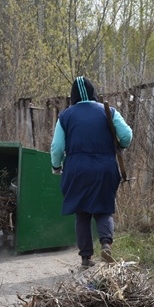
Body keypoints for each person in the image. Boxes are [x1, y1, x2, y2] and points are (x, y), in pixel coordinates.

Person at [50, 76, 133, 268]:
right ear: (94, 92)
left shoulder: (66, 116)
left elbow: (56, 147)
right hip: (105, 166)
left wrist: (56, 166)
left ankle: (86, 258)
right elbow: (127, 135)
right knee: (104, 209)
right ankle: (106, 244)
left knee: (82, 213)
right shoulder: (108, 111)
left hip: (76, 169)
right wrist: (121, 145)